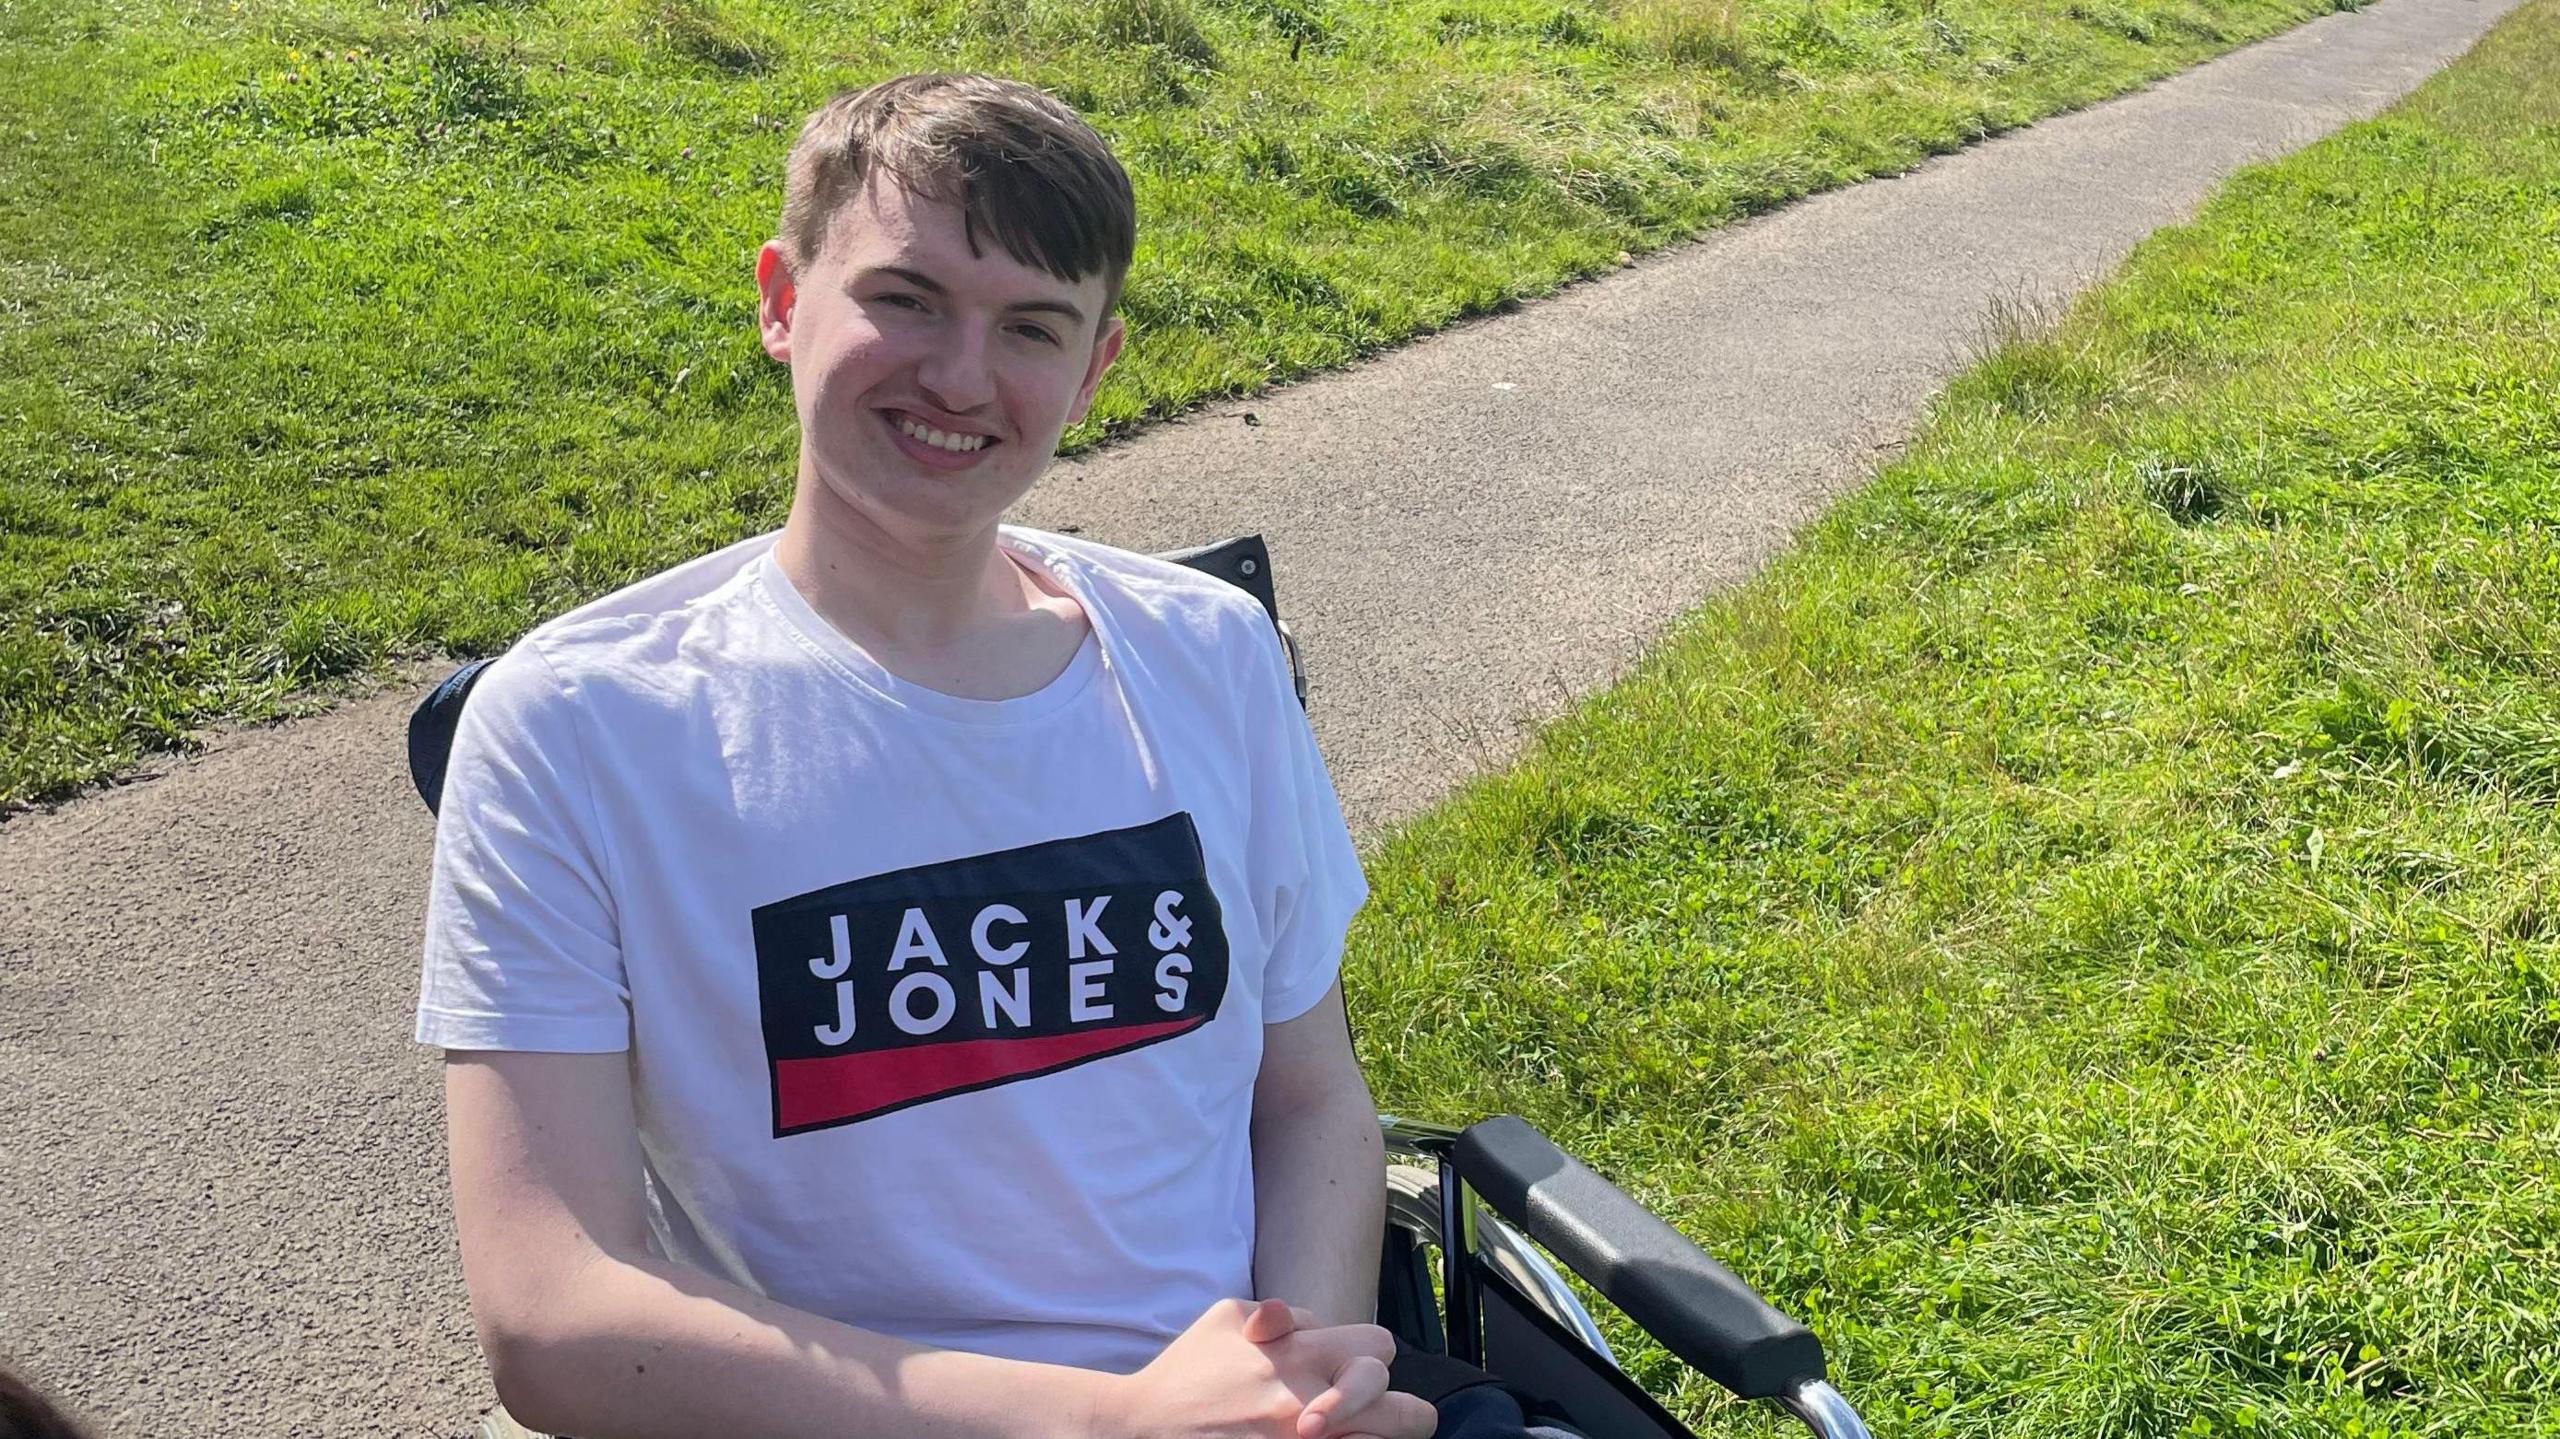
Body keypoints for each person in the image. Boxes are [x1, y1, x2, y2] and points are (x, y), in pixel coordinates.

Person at [415, 72, 1456, 1439]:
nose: (962, 377)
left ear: (1094, 369)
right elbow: (555, 1312)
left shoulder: (1209, 654)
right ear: (784, 303)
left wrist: (1302, 1391)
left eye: (1031, 327)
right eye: (906, 300)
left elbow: (1311, 1102)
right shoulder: (579, 727)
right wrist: (1109, 1427)